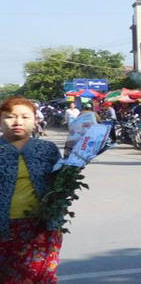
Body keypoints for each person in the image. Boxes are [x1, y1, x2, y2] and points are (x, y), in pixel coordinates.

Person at [0, 96, 64, 282]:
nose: (18, 122)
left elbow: (60, 184)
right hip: (4, 229)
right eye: (10, 117)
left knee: (41, 277)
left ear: (35, 121)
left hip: (42, 228)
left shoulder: (47, 149)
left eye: (25, 117)